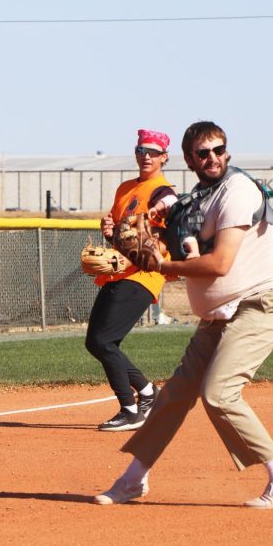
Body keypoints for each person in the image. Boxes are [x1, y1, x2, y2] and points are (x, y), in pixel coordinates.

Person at [94, 121, 273, 509]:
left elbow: (220, 263)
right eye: (202, 152)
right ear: (190, 159)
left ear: (227, 151)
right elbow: (184, 263)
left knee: (219, 393)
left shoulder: (237, 190)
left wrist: (159, 266)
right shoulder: (200, 198)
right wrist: (139, 250)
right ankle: (132, 480)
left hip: (260, 304)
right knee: (173, 397)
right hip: (219, 315)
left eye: (218, 149)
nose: (212, 157)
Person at [86, 129, 177, 431]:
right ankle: (148, 392)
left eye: (153, 151)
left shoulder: (162, 189)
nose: (146, 156)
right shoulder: (125, 188)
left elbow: (171, 205)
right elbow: (119, 233)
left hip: (142, 274)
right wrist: (109, 229)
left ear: (164, 157)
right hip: (118, 270)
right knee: (95, 342)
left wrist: (162, 208)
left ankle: (130, 408)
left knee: (104, 340)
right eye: (141, 150)